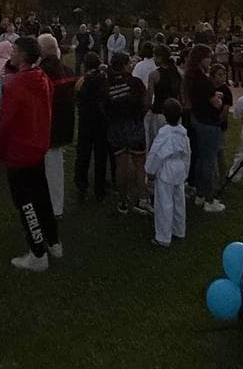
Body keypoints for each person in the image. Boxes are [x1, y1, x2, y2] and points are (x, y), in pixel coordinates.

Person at [0, 36, 61, 271]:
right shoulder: (43, 78)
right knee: (41, 195)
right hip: (37, 147)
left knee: (25, 204)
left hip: (19, 152)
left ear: (23, 55)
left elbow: (6, 123)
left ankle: (37, 253)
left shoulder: (16, 85)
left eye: (14, 50)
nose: (11, 54)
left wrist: (0, 151)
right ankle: (54, 241)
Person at [103, 51, 150, 215]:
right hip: (134, 125)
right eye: (129, 63)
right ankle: (141, 200)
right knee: (139, 164)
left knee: (121, 165)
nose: (131, 65)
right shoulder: (135, 82)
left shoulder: (106, 83)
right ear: (124, 65)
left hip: (115, 127)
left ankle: (123, 202)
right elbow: (145, 104)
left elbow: (104, 107)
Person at [185, 44, 226, 213]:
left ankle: (200, 194)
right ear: (201, 59)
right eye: (208, 57)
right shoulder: (203, 79)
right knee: (209, 160)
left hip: (197, 119)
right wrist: (218, 98)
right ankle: (209, 199)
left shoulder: (192, 75)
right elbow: (215, 104)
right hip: (208, 122)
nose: (211, 60)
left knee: (202, 158)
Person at [145, 98, 191, 248]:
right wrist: (186, 170)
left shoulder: (164, 134)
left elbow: (156, 153)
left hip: (166, 168)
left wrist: (150, 170)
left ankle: (163, 237)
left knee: (164, 203)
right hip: (179, 168)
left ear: (164, 115)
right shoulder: (183, 133)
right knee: (179, 201)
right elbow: (187, 153)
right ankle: (179, 229)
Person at [41, 54, 75, 219]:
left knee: (50, 171)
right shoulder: (67, 76)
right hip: (60, 131)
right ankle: (55, 206)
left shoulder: (45, 80)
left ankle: (53, 207)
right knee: (54, 171)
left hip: (48, 131)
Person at [74, 52, 109, 201]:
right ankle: (99, 188)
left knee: (83, 154)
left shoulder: (82, 81)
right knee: (101, 156)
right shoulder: (104, 79)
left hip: (86, 121)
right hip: (101, 121)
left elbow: (77, 98)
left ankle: (81, 184)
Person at [211, 63, 234, 180]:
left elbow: (225, 111)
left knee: (220, 150)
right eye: (219, 74)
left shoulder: (226, 91)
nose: (222, 77)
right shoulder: (209, 87)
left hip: (219, 125)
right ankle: (213, 174)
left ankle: (223, 174)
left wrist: (218, 121)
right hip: (208, 123)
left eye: (224, 74)